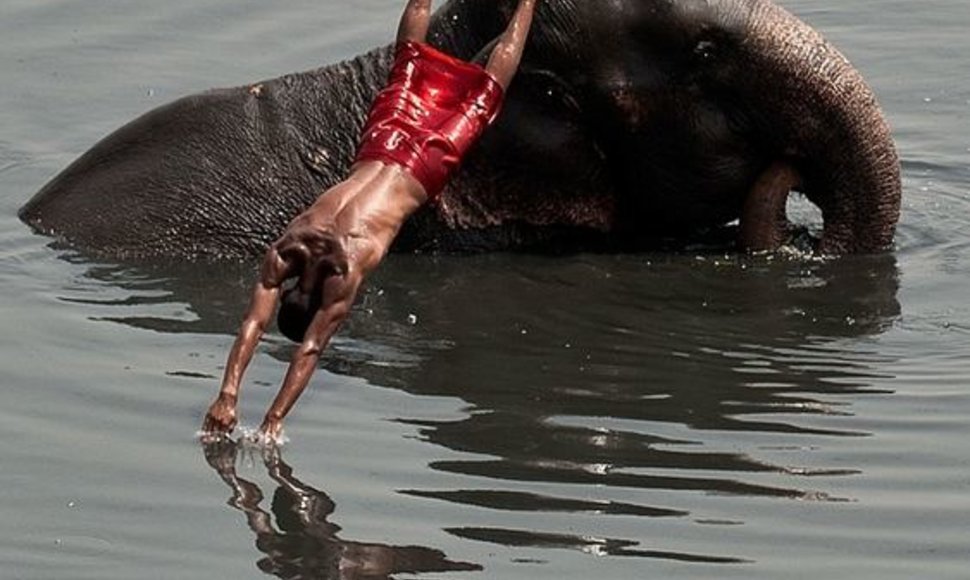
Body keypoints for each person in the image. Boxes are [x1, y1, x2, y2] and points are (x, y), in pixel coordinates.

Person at [202, 0, 539, 442]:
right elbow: (252, 323)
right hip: (383, 145)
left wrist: (274, 420)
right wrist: (226, 393)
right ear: (286, 294)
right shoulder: (288, 246)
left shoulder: (344, 274)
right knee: (409, 60)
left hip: (421, 170)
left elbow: (311, 350)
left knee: (488, 90)